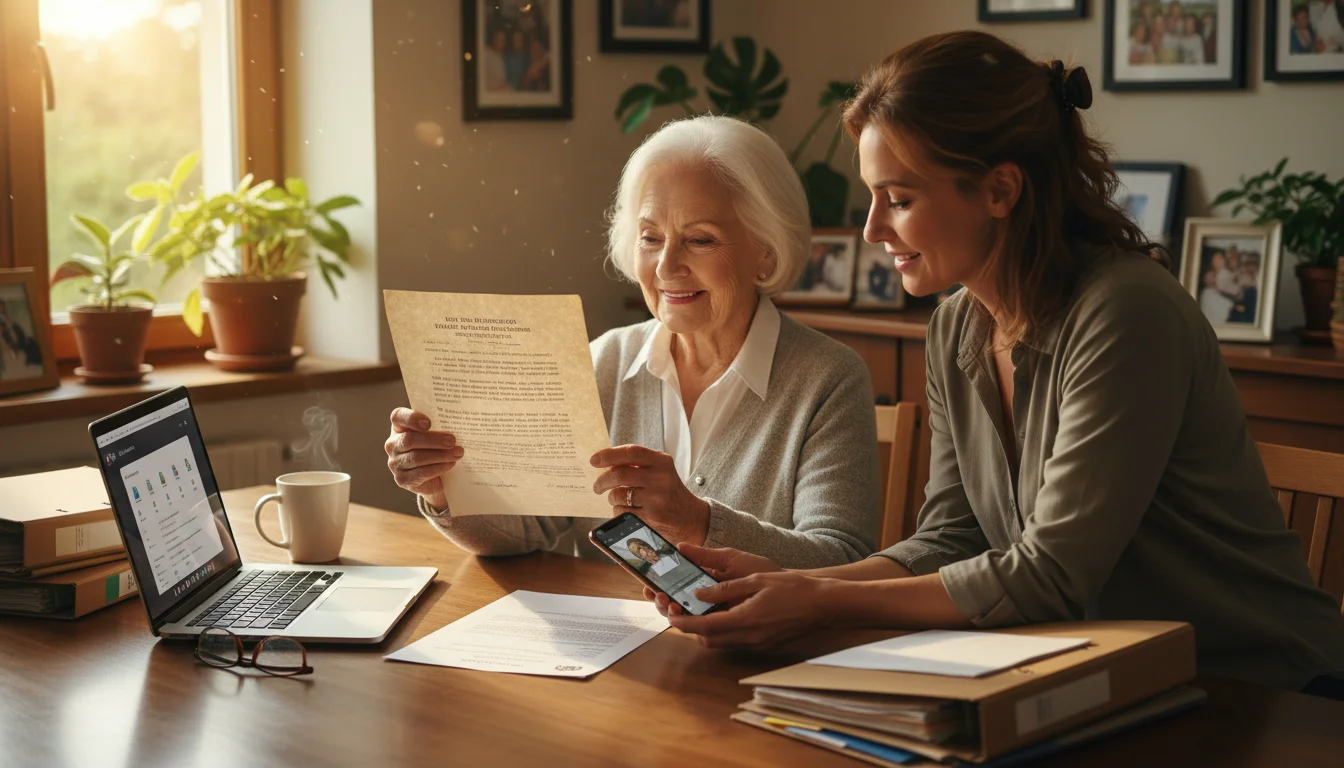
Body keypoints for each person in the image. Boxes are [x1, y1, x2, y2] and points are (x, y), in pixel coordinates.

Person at [644, 31, 1344, 695]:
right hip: (1104, 673)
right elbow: (956, 535)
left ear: (1001, 191)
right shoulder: (957, 325)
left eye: (900, 199)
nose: (872, 229)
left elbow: (1052, 574)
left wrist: (820, 599)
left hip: (1262, 689)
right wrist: (784, 585)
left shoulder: (1127, 312)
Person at [385, 115, 881, 569]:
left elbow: (842, 563)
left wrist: (698, 521)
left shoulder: (828, 378)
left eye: (700, 239)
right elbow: (527, 529)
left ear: (767, 254)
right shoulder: (604, 361)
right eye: (650, 237)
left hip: (746, 655)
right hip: (611, 655)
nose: (666, 267)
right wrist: (445, 491)